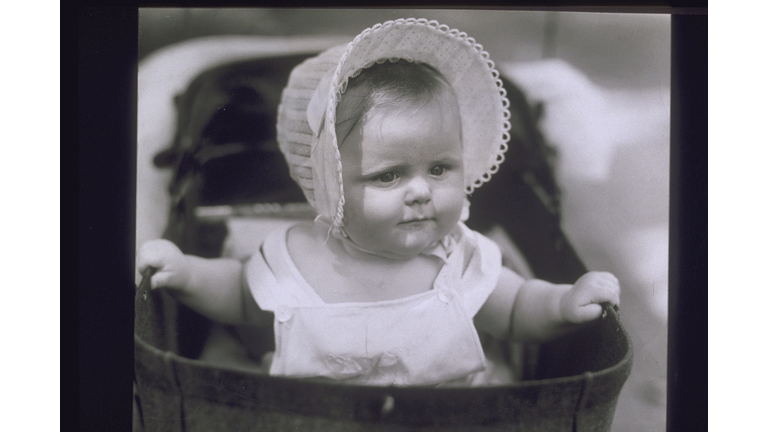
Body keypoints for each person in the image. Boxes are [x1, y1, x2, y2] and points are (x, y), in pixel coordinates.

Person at [138, 18, 619, 387]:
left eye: (440, 168)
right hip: (311, 417)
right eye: (388, 175)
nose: (421, 191)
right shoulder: (296, 254)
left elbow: (515, 307)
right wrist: (184, 274)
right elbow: (240, 294)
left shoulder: (460, 255)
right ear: (330, 185)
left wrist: (563, 302)